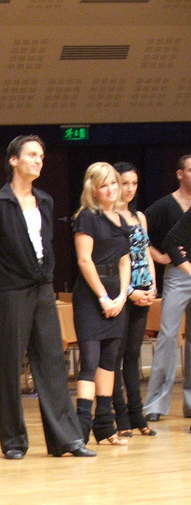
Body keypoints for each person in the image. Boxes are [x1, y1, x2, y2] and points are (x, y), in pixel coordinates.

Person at [0, 135, 96, 460]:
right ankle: (14, 441)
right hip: (12, 289)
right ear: (13, 160)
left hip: (42, 287)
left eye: (41, 156)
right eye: (31, 154)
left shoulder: (44, 200)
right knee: (9, 364)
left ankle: (66, 439)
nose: (38, 160)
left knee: (52, 361)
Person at [72, 162, 131, 446]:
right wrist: (103, 297)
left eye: (113, 183)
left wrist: (121, 296)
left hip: (117, 296)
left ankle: (105, 426)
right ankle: (80, 429)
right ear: (93, 189)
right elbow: (84, 260)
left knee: (109, 361)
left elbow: (125, 260)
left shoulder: (121, 219)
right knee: (90, 361)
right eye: (103, 185)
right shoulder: (87, 217)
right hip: (91, 297)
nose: (110, 189)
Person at [142, 155, 191, 421]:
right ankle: (155, 405)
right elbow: (138, 230)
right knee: (168, 337)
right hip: (178, 275)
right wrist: (158, 256)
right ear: (180, 174)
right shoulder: (164, 205)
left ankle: (190, 404)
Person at [110, 162, 157, 437]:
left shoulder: (139, 216)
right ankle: (121, 416)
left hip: (142, 288)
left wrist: (152, 287)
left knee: (133, 354)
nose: (129, 189)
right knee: (115, 355)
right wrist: (129, 292)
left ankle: (138, 414)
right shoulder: (109, 216)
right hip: (121, 291)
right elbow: (114, 260)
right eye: (124, 183)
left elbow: (146, 253)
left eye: (134, 183)